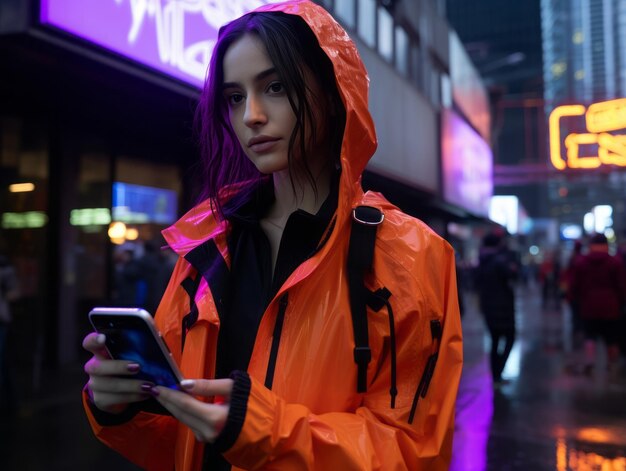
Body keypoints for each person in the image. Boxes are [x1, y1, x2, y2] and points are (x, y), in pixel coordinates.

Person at [81, 2, 463, 470]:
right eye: (235, 97)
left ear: (332, 89)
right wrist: (120, 406)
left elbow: (412, 451)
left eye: (275, 87)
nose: (251, 117)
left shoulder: (409, 255)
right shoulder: (205, 246)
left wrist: (262, 431)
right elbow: (175, 441)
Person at [571, 233, 625, 376]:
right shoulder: (615, 262)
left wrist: (574, 299)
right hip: (611, 306)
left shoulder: (581, 262)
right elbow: (621, 286)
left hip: (588, 305)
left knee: (590, 336)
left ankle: (590, 363)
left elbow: (575, 285)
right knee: (611, 338)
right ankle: (612, 365)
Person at [475, 231, 519, 386]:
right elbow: (513, 274)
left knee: (494, 341)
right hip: (503, 307)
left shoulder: (482, 260)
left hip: (488, 306)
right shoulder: (500, 261)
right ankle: (498, 371)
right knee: (510, 338)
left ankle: (496, 375)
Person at [0, 251, 19, 415]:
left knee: (3, 361)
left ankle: (10, 402)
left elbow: (14, 294)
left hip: (2, 320)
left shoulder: (5, 268)